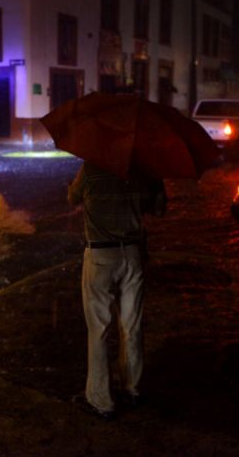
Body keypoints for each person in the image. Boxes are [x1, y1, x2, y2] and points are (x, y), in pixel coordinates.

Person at [67, 161, 167, 420]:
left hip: (101, 254)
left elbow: (72, 198)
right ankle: (132, 388)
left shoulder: (92, 168)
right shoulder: (142, 170)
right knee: (131, 324)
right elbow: (158, 209)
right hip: (133, 253)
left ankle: (101, 400)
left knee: (99, 328)